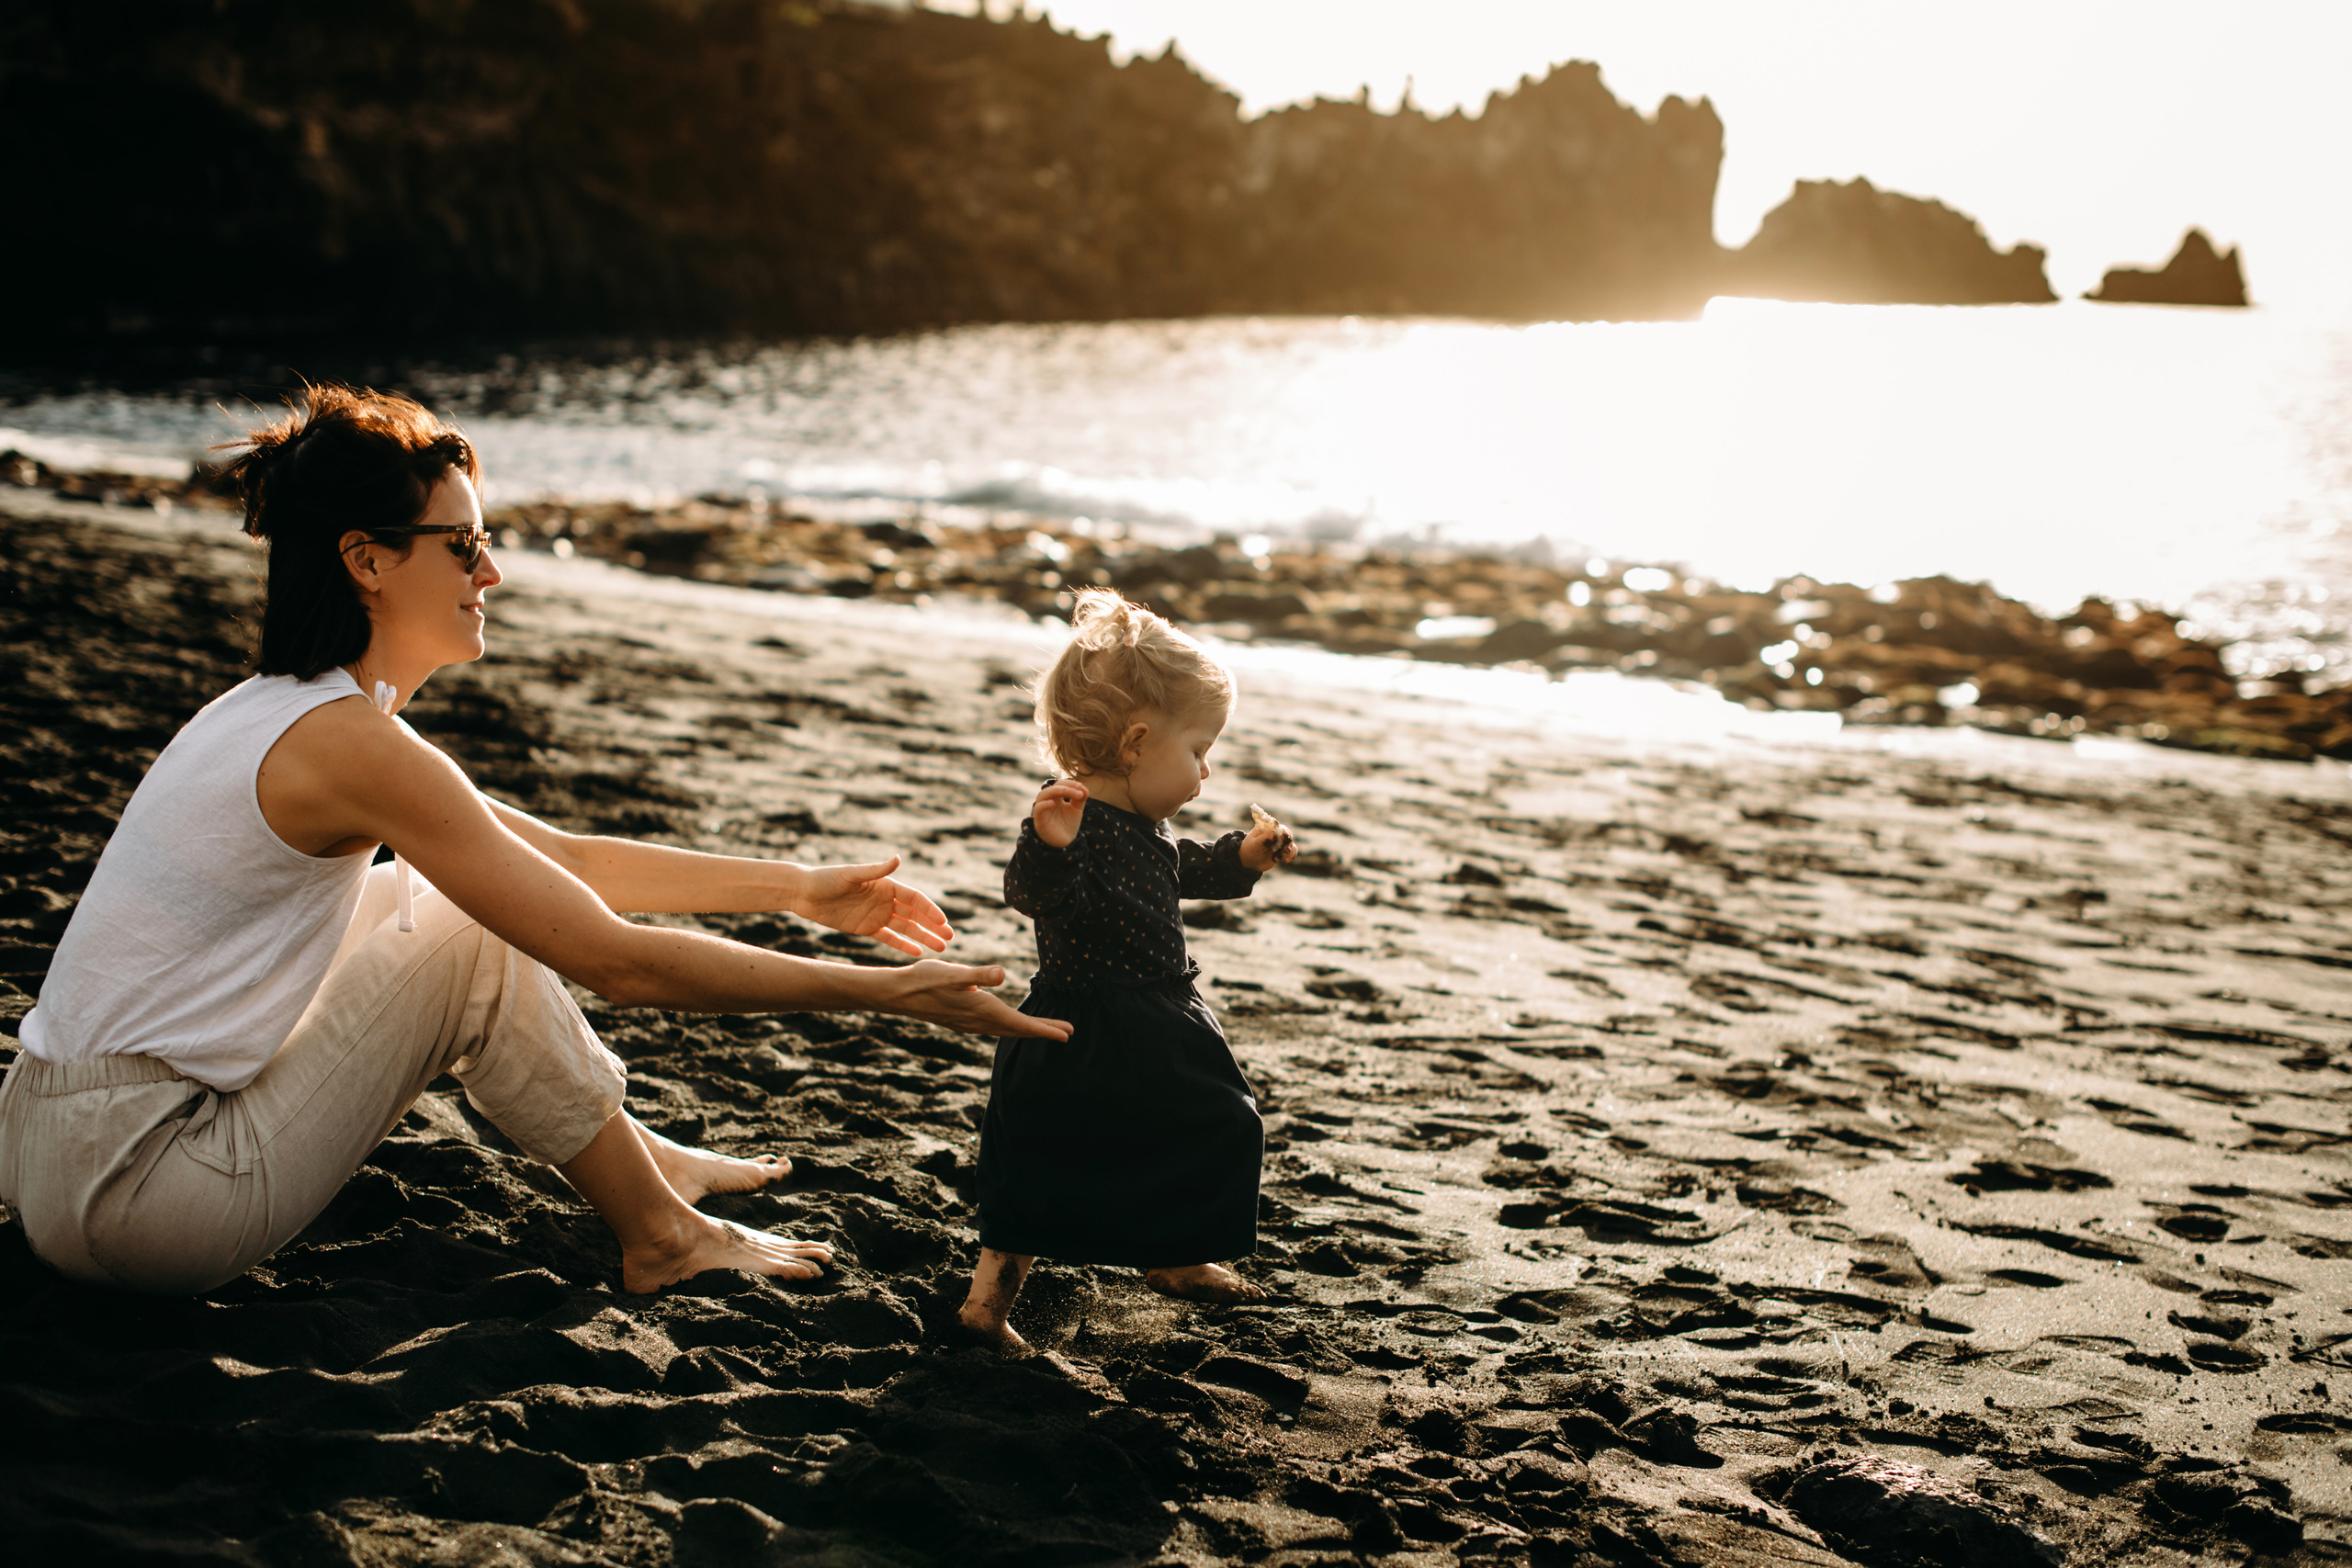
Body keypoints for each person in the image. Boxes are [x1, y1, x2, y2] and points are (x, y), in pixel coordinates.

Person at [0, 386, 1067, 1298]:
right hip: (139, 1195)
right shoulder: (348, 744)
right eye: (463, 547)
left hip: (61, 1150)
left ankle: (644, 1164)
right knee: (469, 931)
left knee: (467, 901)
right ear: (367, 561)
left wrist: (797, 887)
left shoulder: (289, 710)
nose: (490, 575)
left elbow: (562, 859)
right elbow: (608, 957)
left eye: (488, 544)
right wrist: (890, 996)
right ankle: (662, 1232)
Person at [958, 590, 1296, 1353]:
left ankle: (1176, 1254)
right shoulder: (1071, 818)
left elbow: (1186, 868)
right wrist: (1048, 842)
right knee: (1033, 1164)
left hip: (1155, 1014)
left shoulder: (1150, 829)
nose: (1206, 771)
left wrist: (1243, 856)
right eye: (1200, 749)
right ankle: (986, 1308)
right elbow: (1030, 894)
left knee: (1216, 1123)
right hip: (1083, 1020)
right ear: (1139, 741)